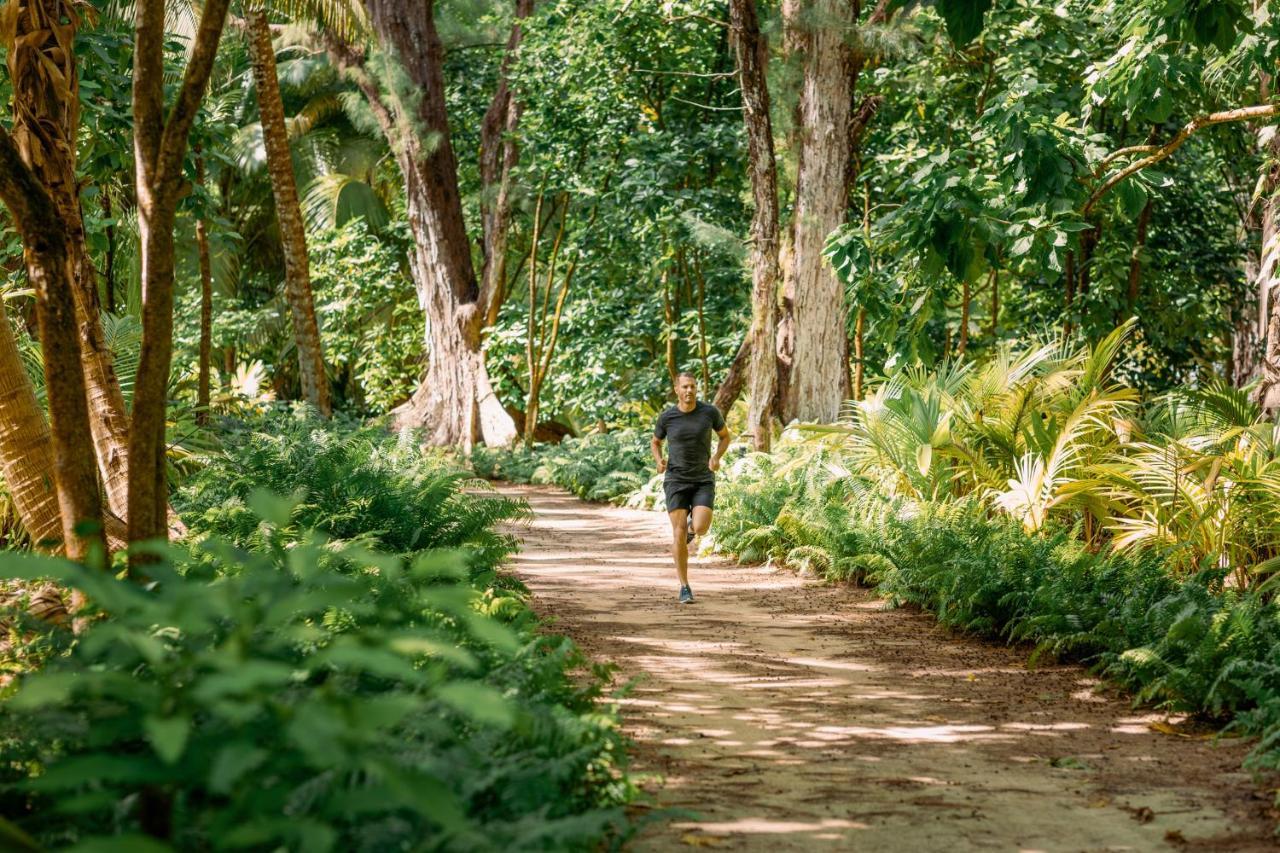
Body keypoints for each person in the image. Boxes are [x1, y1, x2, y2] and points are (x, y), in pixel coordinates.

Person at [651, 371, 731, 604]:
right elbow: (656, 442)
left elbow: (725, 436)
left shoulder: (709, 413)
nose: (689, 390)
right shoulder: (668, 417)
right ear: (677, 389)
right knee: (677, 533)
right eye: (685, 387)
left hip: (702, 479)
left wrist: (717, 456)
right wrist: (658, 461)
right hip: (676, 479)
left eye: (693, 386)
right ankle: (684, 586)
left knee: (701, 526)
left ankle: (691, 531)